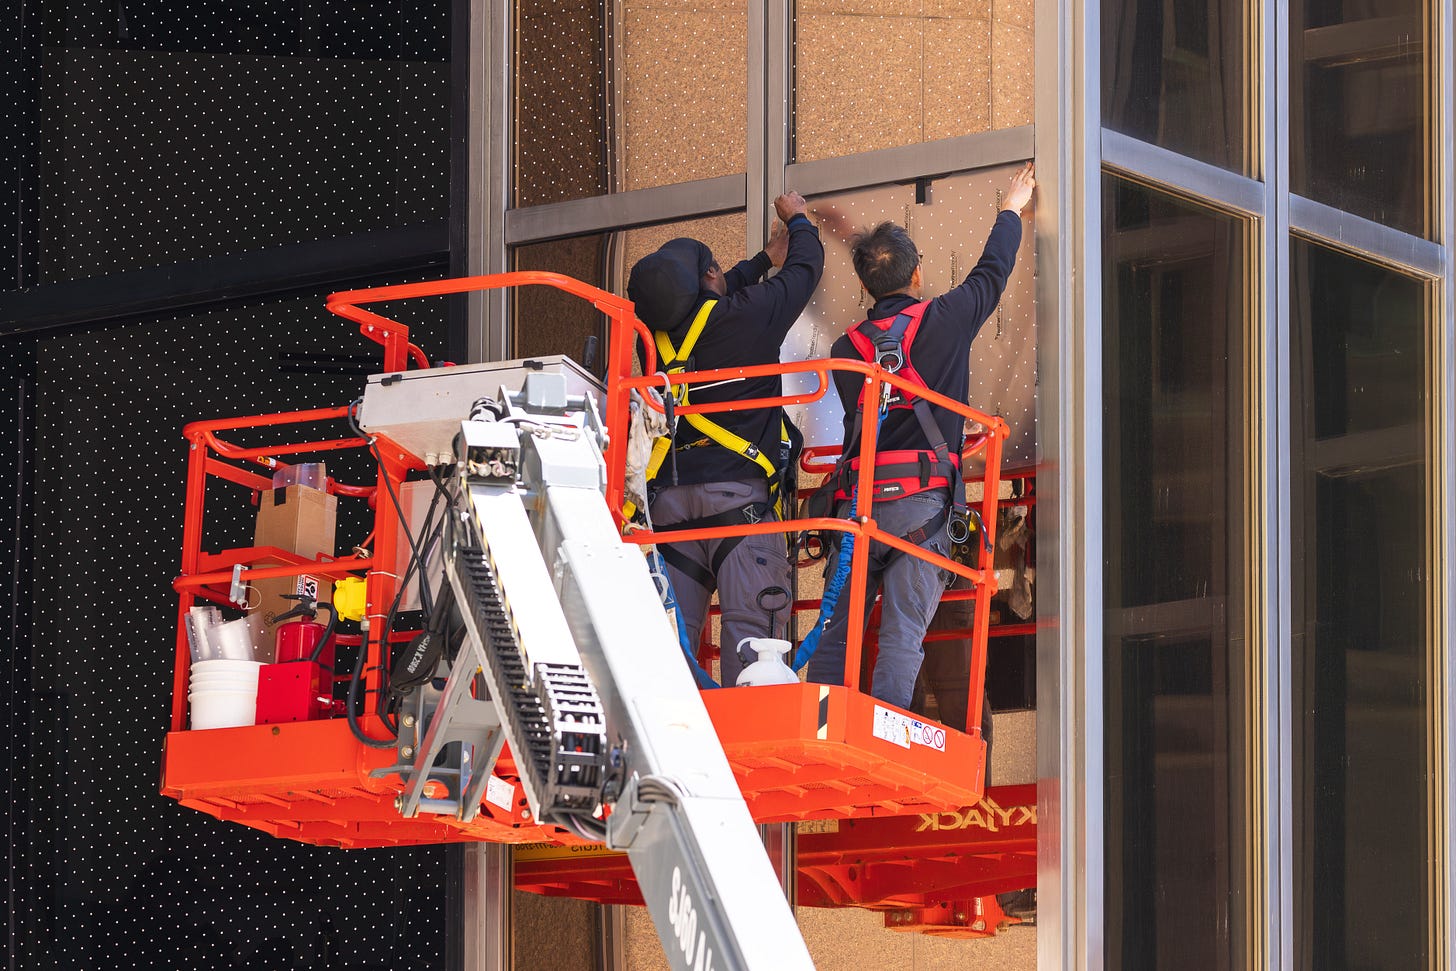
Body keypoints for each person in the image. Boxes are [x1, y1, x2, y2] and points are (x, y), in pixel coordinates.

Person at [807, 163, 1035, 708]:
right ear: (918, 273)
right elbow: (993, 272)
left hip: (856, 507)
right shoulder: (945, 320)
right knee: (902, 635)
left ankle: (819, 725)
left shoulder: (845, 351)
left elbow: (876, 413)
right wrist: (1011, 207)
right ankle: (885, 736)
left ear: (864, 286)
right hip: (922, 508)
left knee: (837, 635)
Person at [627, 192, 825, 686]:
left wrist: (760, 261)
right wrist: (799, 219)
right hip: (740, 502)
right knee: (754, 649)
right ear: (710, 279)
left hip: (670, 510)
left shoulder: (650, 339)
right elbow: (806, 270)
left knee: (669, 652)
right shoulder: (747, 316)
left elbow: (701, 303)